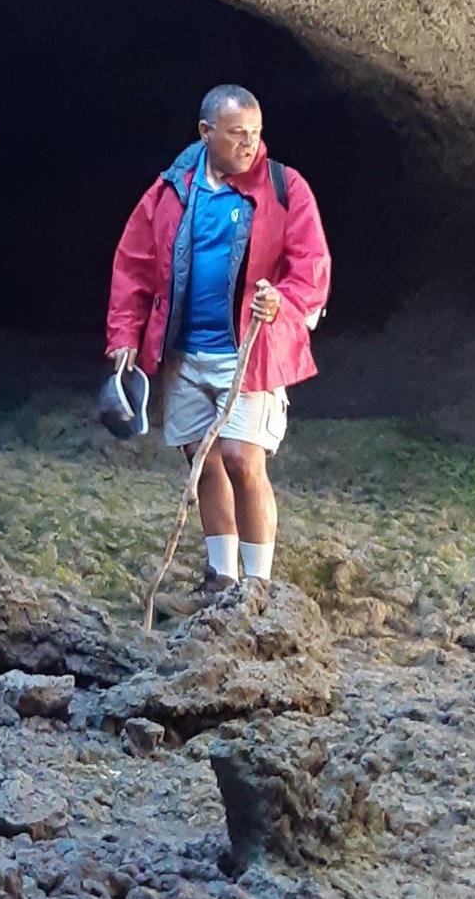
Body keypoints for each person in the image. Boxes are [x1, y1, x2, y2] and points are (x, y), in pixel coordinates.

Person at [106, 86, 331, 597]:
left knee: (242, 458)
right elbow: (134, 266)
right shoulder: (171, 190)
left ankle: (259, 585)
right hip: (185, 352)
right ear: (206, 133)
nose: (250, 144)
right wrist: (124, 337)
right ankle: (220, 575)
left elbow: (311, 265)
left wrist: (284, 303)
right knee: (201, 459)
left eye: (255, 133)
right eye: (237, 134)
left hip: (249, 351)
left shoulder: (283, 187)